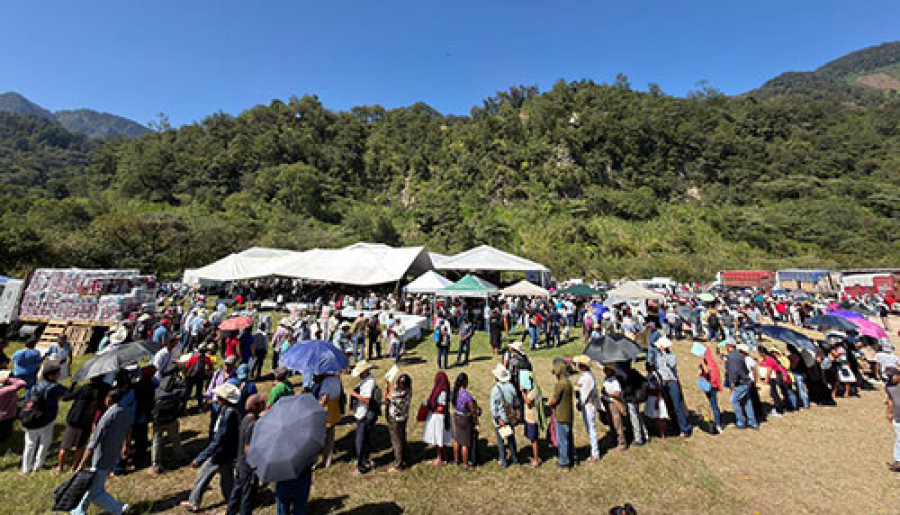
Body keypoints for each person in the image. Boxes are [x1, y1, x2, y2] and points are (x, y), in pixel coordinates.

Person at [70, 388, 133, 515]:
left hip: (101, 457)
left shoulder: (107, 416)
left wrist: (81, 464)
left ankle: (119, 508)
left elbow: (93, 443)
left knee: (96, 492)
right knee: (93, 486)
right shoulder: (126, 411)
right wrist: (126, 446)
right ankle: (78, 511)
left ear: (109, 399)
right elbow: (128, 430)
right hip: (114, 454)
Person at [182, 382, 242, 512]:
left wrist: (200, 457)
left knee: (204, 475)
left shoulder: (227, 415)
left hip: (219, 453)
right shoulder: (232, 411)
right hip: (228, 452)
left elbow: (218, 439)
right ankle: (233, 500)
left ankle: (194, 502)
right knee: (227, 478)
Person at [57, 376, 109, 474]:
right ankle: (74, 466)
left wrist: (73, 385)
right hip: (88, 421)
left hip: (74, 419)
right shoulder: (105, 389)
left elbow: (66, 397)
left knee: (65, 446)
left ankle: (60, 467)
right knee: (80, 446)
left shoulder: (85, 388)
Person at [21, 363, 66, 474]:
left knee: (30, 444)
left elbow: (27, 401)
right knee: (44, 443)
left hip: (30, 419)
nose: (59, 375)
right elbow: (68, 394)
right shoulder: (54, 387)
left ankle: (25, 468)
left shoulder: (35, 386)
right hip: (46, 420)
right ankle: (37, 466)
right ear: (51, 376)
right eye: (57, 373)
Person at [226, 394, 264, 515]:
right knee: (247, 497)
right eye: (262, 403)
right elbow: (248, 449)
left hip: (241, 464)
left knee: (236, 492)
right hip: (249, 467)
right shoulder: (253, 425)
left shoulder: (245, 419)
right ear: (257, 406)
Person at [151, 372, 188, 474]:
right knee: (175, 438)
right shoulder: (175, 392)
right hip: (171, 418)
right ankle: (180, 457)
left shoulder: (157, 391)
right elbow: (184, 390)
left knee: (156, 442)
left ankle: (156, 465)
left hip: (158, 420)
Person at [654, 337, 691, 437]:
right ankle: (675, 426)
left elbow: (671, 365)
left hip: (672, 382)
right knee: (669, 406)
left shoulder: (671, 356)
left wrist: (664, 354)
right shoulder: (657, 356)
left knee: (677, 406)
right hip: (663, 383)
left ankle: (684, 429)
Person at [349, 360, 376, 476]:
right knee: (365, 439)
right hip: (361, 413)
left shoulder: (369, 382)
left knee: (360, 441)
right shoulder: (367, 380)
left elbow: (367, 400)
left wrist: (354, 394)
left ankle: (362, 467)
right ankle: (365, 460)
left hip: (363, 415)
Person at [490, 363, 519, 468]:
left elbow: (494, 408)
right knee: (511, 439)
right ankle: (515, 458)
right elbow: (516, 403)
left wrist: (497, 419)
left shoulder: (495, 390)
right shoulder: (511, 387)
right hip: (510, 417)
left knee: (501, 442)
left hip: (500, 419)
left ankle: (503, 460)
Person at [548, 360, 575, 468]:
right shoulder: (568, 382)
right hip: (569, 414)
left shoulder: (560, 384)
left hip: (561, 415)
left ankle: (564, 462)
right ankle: (572, 457)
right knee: (569, 438)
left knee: (562, 440)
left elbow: (554, 400)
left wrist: (549, 404)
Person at [573, 355, 601, 461]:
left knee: (591, 428)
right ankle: (593, 448)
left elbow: (584, 394)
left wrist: (579, 402)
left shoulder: (588, 377)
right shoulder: (586, 375)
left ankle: (595, 453)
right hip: (586, 404)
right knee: (589, 427)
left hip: (589, 405)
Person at [423, 371, 454, 465]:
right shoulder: (448, 390)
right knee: (443, 438)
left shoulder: (439, 391)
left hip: (437, 417)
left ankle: (439, 457)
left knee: (438, 437)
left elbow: (433, 403)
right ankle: (446, 456)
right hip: (445, 416)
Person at [726, 342, 758, 429]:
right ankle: (753, 422)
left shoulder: (732, 357)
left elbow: (733, 371)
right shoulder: (741, 357)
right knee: (747, 401)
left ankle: (741, 422)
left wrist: (732, 382)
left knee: (734, 401)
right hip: (747, 381)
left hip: (740, 382)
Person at [451, 372, 480, 470]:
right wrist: (476, 423)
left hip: (456, 415)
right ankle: (466, 464)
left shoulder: (454, 392)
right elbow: (472, 410)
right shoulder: (467, 395)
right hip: (465, 419)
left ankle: (456, 459)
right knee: (465, 443)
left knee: (456, 438)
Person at [385, 373, 412, 472]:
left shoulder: (397, 395)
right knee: (402, 437)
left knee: (396, 441)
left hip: (395, 419)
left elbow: (387, 398)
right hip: (403, 417)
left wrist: (387, 386)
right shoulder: (409, 391)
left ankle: (398, 465)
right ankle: (404, 456)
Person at [315, 372, 342, 469]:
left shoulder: (326, 381)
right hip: (334, 410)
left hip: (326, 412)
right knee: (330, 438)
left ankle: (316, 461)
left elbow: (325, 398)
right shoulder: (337, 379)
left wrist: (316, 406)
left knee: (319, 438)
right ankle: (328, 460)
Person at [520, 370, 546, 468]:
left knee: (534, 439)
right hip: (529, 418)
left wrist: (522, 392)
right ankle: (535, 455)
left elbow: (528, 402)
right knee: (532, 439)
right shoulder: (533, 389)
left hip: (532, 419)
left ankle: (536, 459)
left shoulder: (533, 391)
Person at [619, 361, 649, 446]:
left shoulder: (626, 375)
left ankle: (638, 439)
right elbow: (644, 381)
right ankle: (645, 435)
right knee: (638, 417)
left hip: (631, 399)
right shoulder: (634, 372)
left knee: (634, 418)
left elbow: (627, 389)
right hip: (636, 398)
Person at [601, 365, 628, 452]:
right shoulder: (606, 379)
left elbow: (617, 394)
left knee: (617, 423)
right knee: (611, 422)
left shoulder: (614, 381)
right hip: (607, 402)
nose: (604, 370)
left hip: (614, 403)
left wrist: (608, 394)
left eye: (607, 369)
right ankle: (614, 439)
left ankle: (622, 443)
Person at [699, 344, 724, 433]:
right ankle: (717, 422)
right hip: (713, 385)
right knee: (713, 404)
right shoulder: (712, 361)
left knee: (714, 405)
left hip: (710, 386)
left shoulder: (707, 362)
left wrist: (702, 360)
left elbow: (706, 371)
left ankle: (718, 424)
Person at [183, 345, 214, 411]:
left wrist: (185, 374)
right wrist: (207, 373)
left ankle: (183, 406)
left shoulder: (193, 358)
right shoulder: (206, 358)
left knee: (188, 392)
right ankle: (199, 405)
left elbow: (186, 367)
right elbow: (211, 367)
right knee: (199, 391)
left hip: (190, 377)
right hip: (200, 377)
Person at [0, 371, 26, 445]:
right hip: (8, 414)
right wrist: (7, 379)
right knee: (6, 429)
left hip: (3, 415)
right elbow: (22, 383)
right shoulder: (6, 390)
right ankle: (5, 440)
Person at [644, 362, 669, 438]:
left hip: (655, 398)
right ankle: (658, 432)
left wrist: (657, 401)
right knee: (654, 417)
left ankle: (662, 434)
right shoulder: (649, 375)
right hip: (651, 397)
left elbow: (659, 389)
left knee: (659, 417)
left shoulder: (654, 376)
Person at [884, 367, 900, 472]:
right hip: (898, 417)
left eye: (892, 376)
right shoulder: (888, 386)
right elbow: (890, 400)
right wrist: (889, 413)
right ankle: (898, 461)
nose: (890, 378)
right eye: (888, 376)